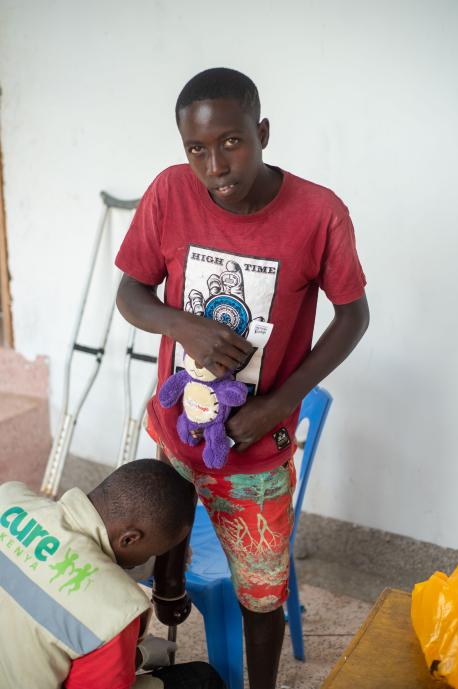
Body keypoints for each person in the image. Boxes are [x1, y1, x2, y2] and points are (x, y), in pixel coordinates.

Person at [115, 67, 370, 689]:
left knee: (261, 594)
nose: (214, 166)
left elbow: (353, 315)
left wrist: (282, 402)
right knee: (152, 565)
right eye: (196, 149)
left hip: (256, 450)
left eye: (230, 142)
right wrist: (186, 328)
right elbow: (131, 291)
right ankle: (170, 590)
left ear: (261, 133)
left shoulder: (318, 213)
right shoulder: (170, 193)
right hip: (178, 432)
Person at [0, 460, 224, 689]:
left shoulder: (9, 497)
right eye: (154, 552)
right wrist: (134, 657)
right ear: (129, 539)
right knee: (203, 680)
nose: (148, 560)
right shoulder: (116, 613)